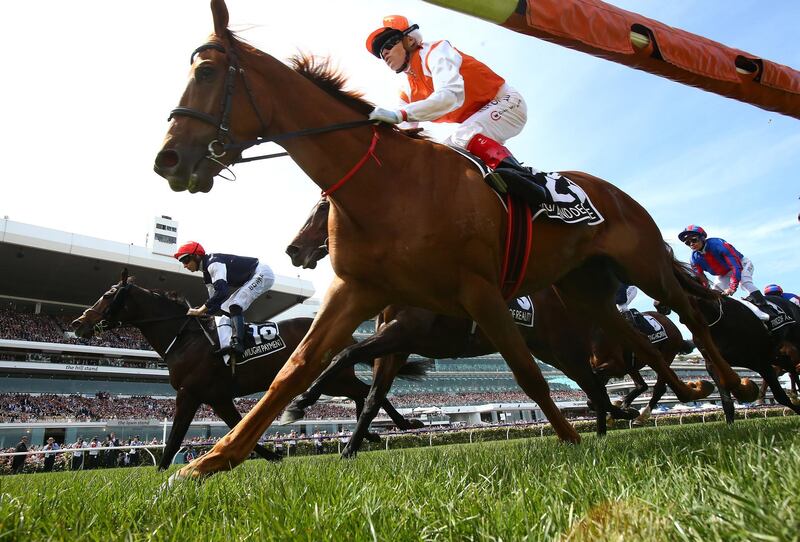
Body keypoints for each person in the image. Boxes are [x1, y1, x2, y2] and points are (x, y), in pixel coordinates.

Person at [364, 15, 546, 207]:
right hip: (478, 119)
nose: (384, 53)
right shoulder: (406, 90)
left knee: (462, 136)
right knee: (442, 155)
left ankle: (526, 181)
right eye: (380, 52)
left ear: (410, 40)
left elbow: (451, 96)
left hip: (506, 102)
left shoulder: (436, 51)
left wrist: (399, 114)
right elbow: (405, 133)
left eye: (388, 45)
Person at [173, 241, 275, 365]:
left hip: (262, 273)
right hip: (253, 276)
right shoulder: (207, 276)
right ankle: (230, 341)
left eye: (185, 260)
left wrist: (200, 311)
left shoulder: (213, 263)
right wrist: (199, 314)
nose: (184, 265)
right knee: (226, 308)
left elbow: (222, 292)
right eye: (182, 262)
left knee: (235, 305)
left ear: (196, 256)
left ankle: (239, 343)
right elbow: (214, 304)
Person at [678, 225, 774, 316]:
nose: (691, 244)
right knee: (714, 294)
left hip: (741, 264)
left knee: (745, 282)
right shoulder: (694, 258)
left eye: (694, 240)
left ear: (702, 237)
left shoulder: (717, 244)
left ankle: (767, 308)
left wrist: (732, 287)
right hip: (723, 274)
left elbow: (735, 266)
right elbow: (702, 279)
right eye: (687, 243)